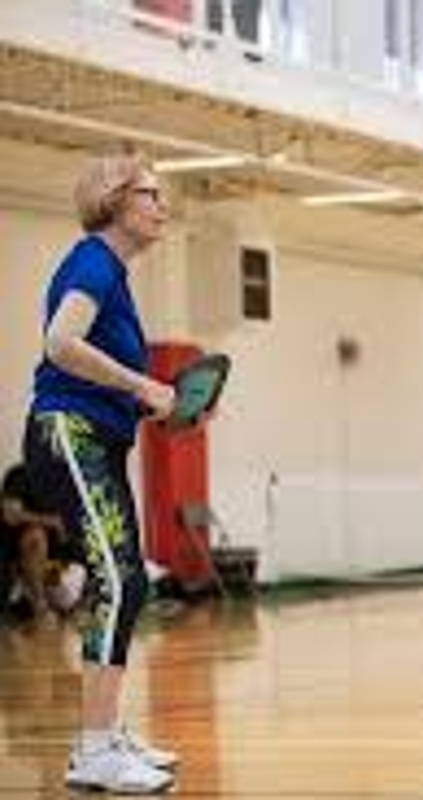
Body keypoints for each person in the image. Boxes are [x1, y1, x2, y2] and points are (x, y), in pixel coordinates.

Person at [22, 149, 179, 794]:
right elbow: (59, 344)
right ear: (116, 200)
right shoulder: (93, 259)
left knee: (128, 580)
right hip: (69, 433)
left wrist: (165, 403)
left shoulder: (114, 274)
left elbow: (107, 377)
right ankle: (93, 752)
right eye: (152, 194)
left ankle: (105, 732)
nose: (162, 206)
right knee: (118, 579)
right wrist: (143, 384)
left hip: (99, 437)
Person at [1, 462, 66, 622]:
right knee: (35, 537)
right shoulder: (19, 475)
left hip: (59, 564)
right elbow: (10, 514)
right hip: (24, 560)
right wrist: (51, 522)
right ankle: (38, 603)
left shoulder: (71, 481)